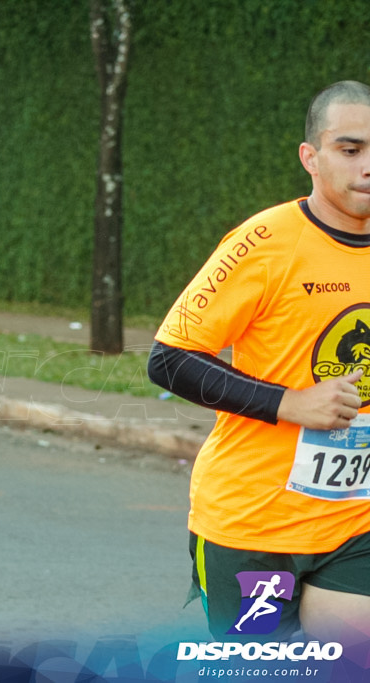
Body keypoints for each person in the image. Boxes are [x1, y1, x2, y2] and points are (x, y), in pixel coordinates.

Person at [148, 80, 370, 644]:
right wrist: (291, 403)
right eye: (351, 149)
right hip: (254, 522)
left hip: (354, 521)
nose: (368, 165)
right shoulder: (265, 241)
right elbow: (170, 359)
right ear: (311, 157)